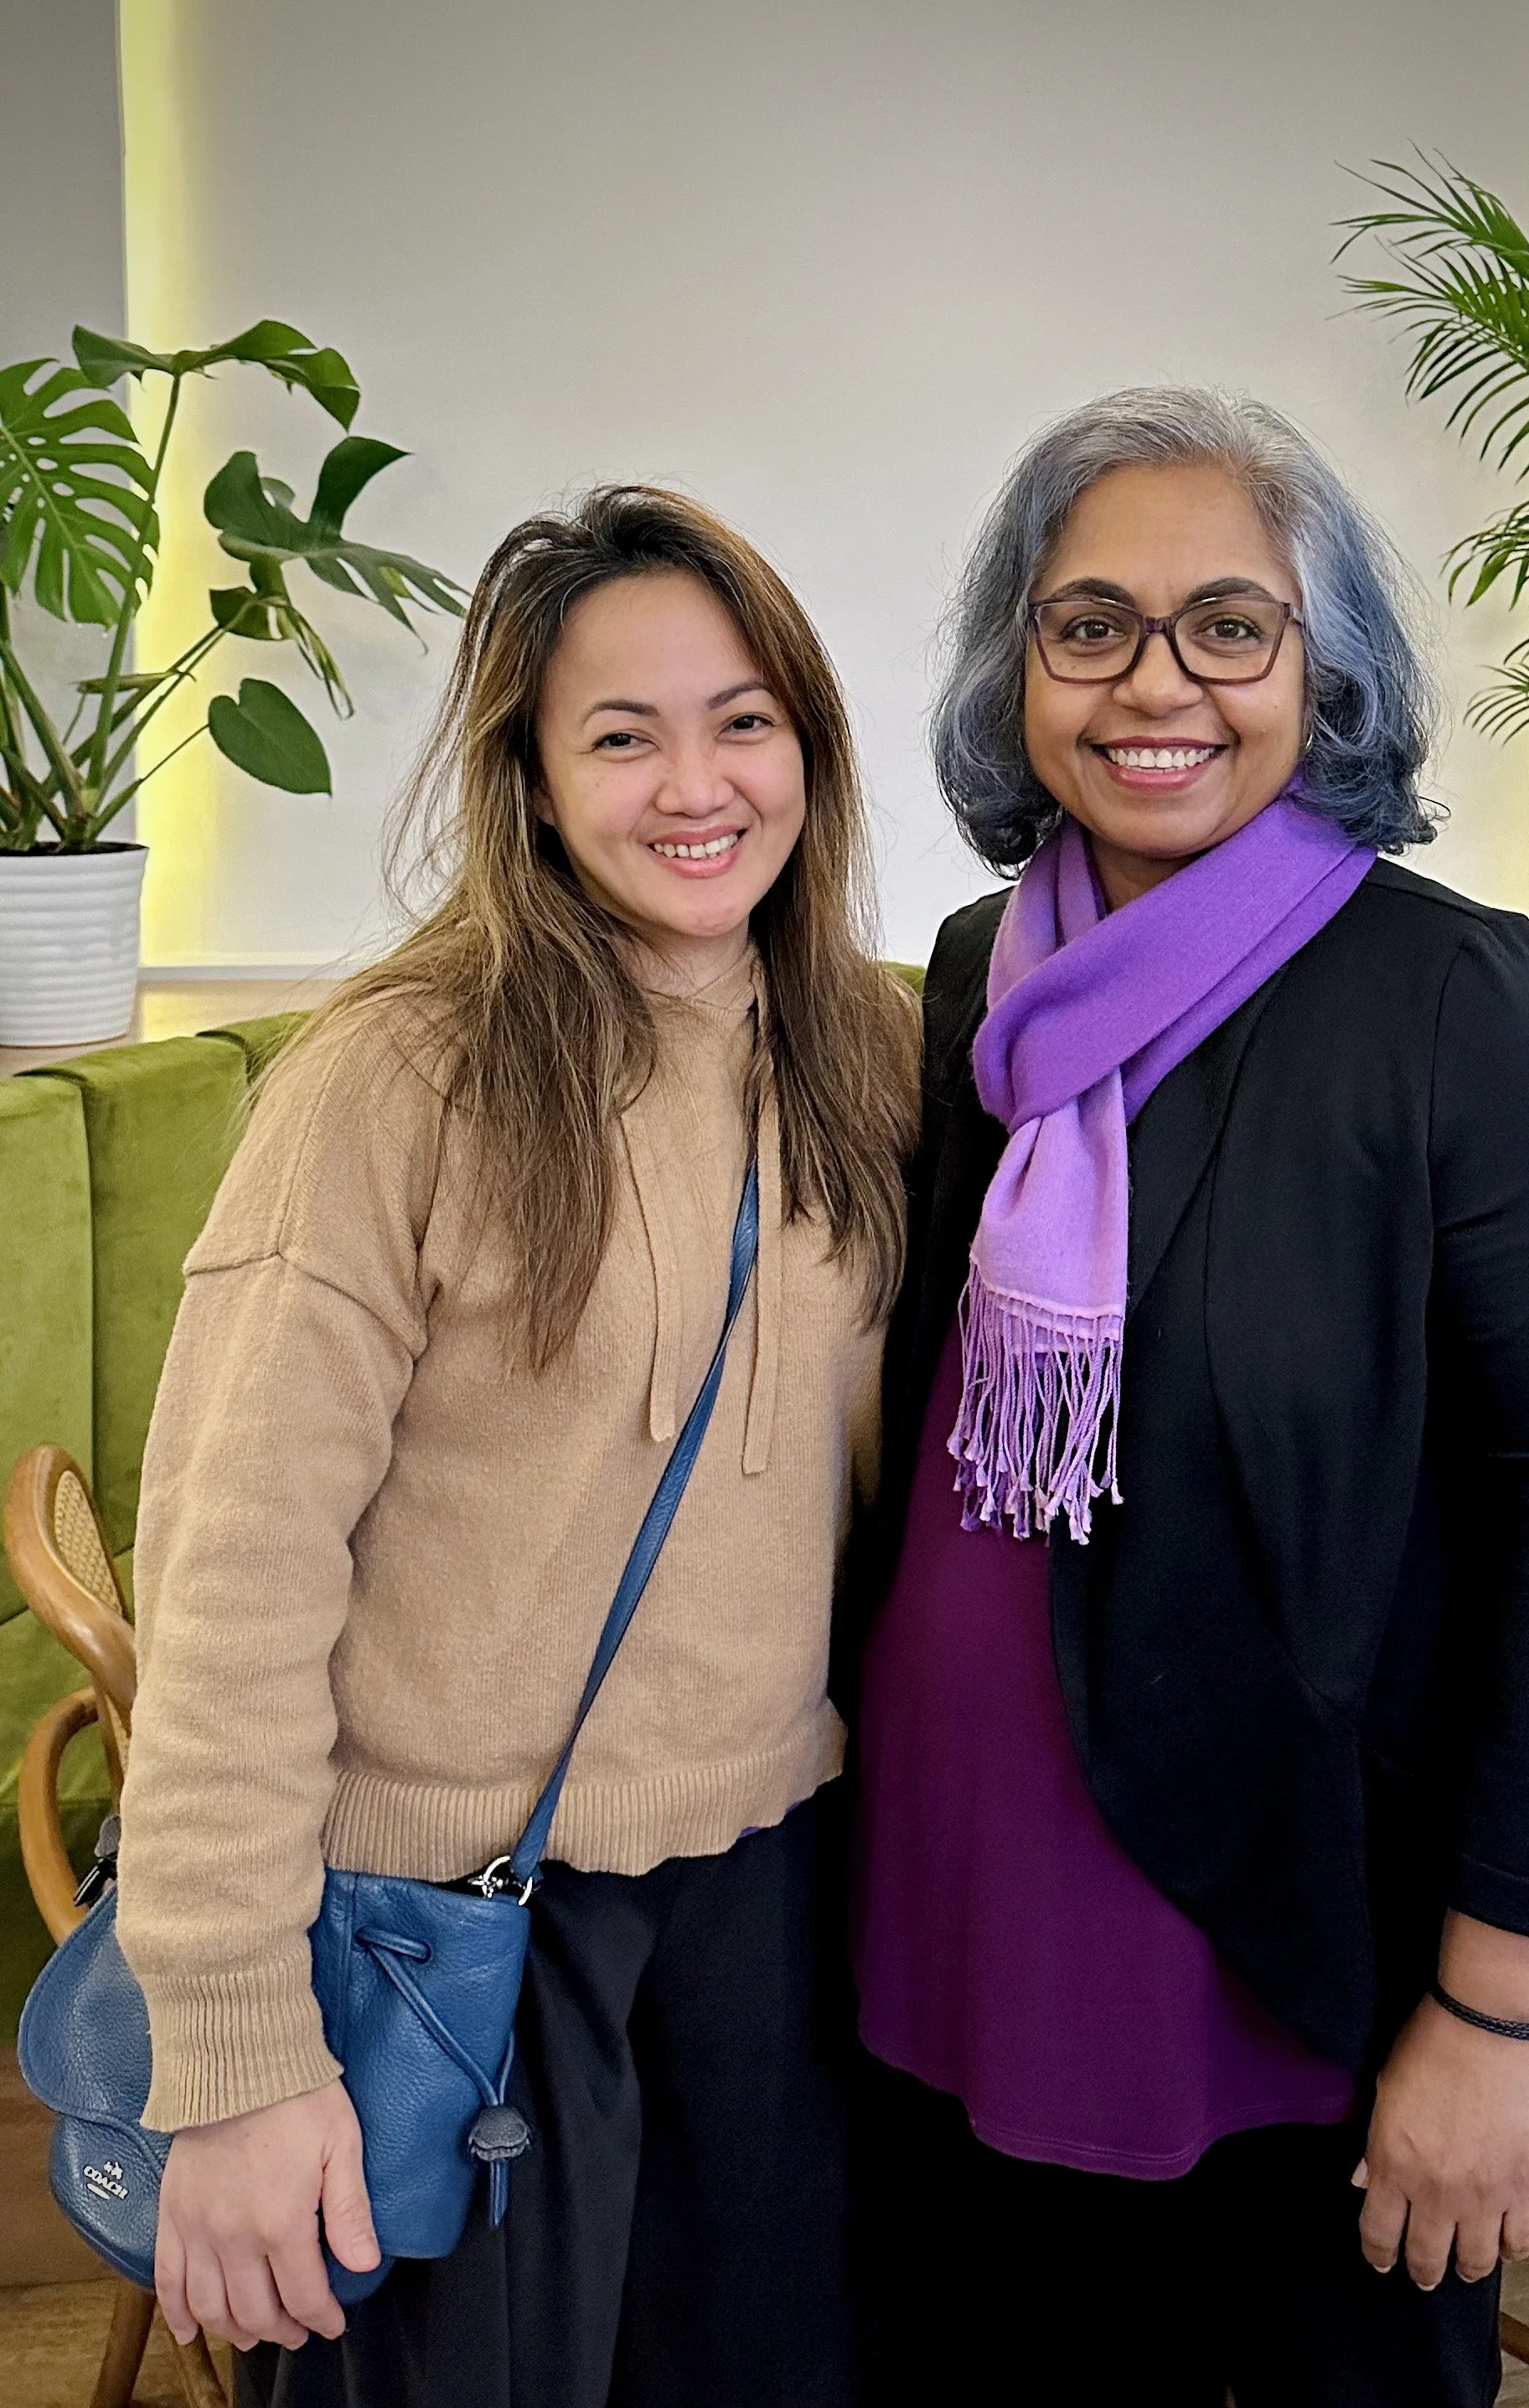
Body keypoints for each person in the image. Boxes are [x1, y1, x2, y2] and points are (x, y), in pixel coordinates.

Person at [845, 388, 1529, 2406]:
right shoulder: (985, 972)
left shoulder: (1457, 1005)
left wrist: (1494, 2024)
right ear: (1016, 668)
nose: (1159, 684)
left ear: (1326, 676)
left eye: (1229, 626)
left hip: (1280, 1937)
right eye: (1090, 626)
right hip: (954, 1890)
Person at [115, 485, 918, 2407]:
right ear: (533, 782)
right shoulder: (397, 1079)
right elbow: (231, 1573)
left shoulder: (865, 1055)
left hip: (770, 1895)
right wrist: (232, 2058)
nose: (693, 783)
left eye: (742, 719)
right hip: (444, 1921)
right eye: (619, 734)